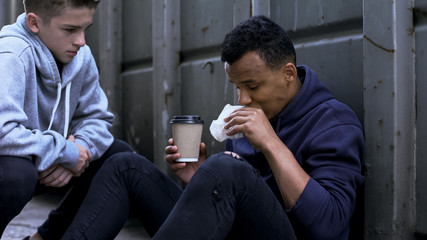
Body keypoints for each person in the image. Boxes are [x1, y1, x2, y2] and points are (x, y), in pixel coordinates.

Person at [62, 15, 365, 240]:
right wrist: (203, 179)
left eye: (252, 86)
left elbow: (329, 228)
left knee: (227, 167)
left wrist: (271, 144)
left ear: (288, 73)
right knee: (125, 165)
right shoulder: (246, 120)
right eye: (236, 87)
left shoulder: (333, 123)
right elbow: (238, 199)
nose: (243, 99)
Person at [0, 0, 134, 239]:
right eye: (70, 30)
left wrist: (81, 148)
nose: (81, 41)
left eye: (86, 29)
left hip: (43, 157)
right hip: (13, 165)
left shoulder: (81, 56)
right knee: (15, 176)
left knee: (116, 155)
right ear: (34, 23)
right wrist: (66, 152)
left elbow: (98, 117)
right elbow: (3, 133)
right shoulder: (11, 55)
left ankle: (45, 238)